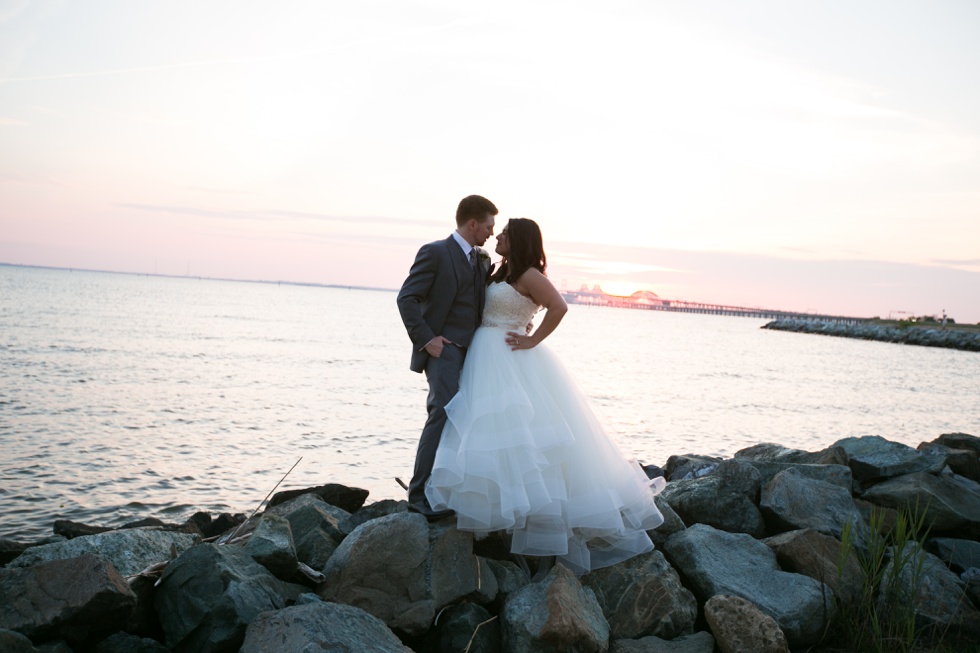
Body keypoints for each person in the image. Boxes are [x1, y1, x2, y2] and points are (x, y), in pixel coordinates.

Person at [425, 218, 665, 576]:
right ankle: (498, 515)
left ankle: (536, 529)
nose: (499, 235)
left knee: (527, 442)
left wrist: (532, 340)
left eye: (505, 231)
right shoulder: (499, 271)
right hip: (485, 358)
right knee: (490, 436)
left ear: (519, 240)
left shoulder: (529, 275)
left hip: (509, 358)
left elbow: (559, 307)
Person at [397, 195, 498, 519]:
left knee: (470, 418)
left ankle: (451, 491)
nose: (491, 234)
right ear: (472, 224)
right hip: (444, 351)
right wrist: (427, 340)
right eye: (488, 226)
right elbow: (407, 298)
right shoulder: (435, 252)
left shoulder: (481, 260)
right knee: (441, 411)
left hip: (476, 353)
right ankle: (418, 496)